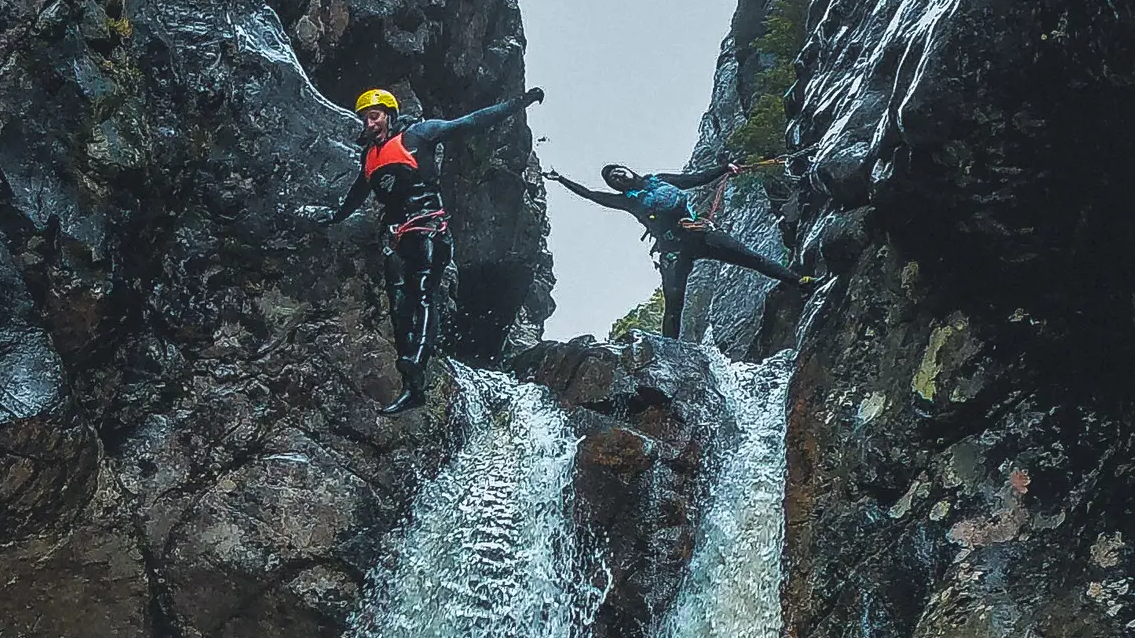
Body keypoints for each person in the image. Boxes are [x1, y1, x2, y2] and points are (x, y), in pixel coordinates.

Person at [312, 85, 543, 412]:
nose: (369, 124)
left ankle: (416, 361)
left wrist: (519, 103)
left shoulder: (419, 134)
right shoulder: (370, 158)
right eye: (365, 119)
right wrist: (332, 217)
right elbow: (355, 196)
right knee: (398, 306)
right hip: (399, 238)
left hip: (430, 230)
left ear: (389, 116)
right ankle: (413, 388)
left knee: (422, 291)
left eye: (374, 117)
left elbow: (471, 122)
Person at [547, 159, 808, 341]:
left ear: (627, 169)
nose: (617, 176)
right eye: (612, 179)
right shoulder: (626, 202)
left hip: (700, 234)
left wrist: (724, 168)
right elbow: (591, 195)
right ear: (615, 187)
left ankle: (800, 281)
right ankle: (667, 349)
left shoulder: (660, 180)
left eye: (617, 171)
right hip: (673, 250)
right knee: (673, 299)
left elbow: (693, 179)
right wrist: (561, 180)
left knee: (751, 258)